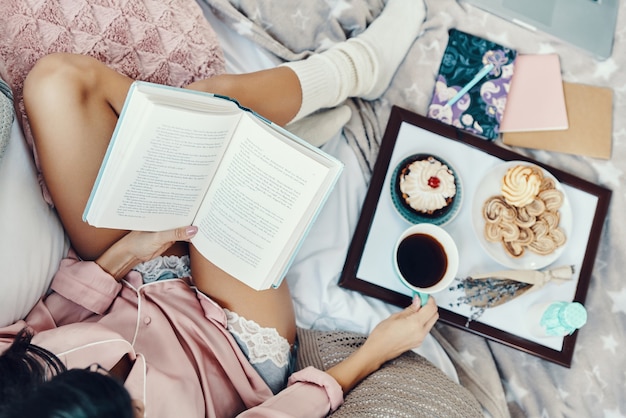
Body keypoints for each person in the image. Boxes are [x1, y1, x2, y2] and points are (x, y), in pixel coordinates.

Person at [0, 1, 439, 417]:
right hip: (229, 345)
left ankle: (282, 117)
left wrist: (129, 251)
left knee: (58, 82)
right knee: (230, 128)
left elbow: (51, 316)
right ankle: (358, 69)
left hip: (126, 277)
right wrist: (375, 351)